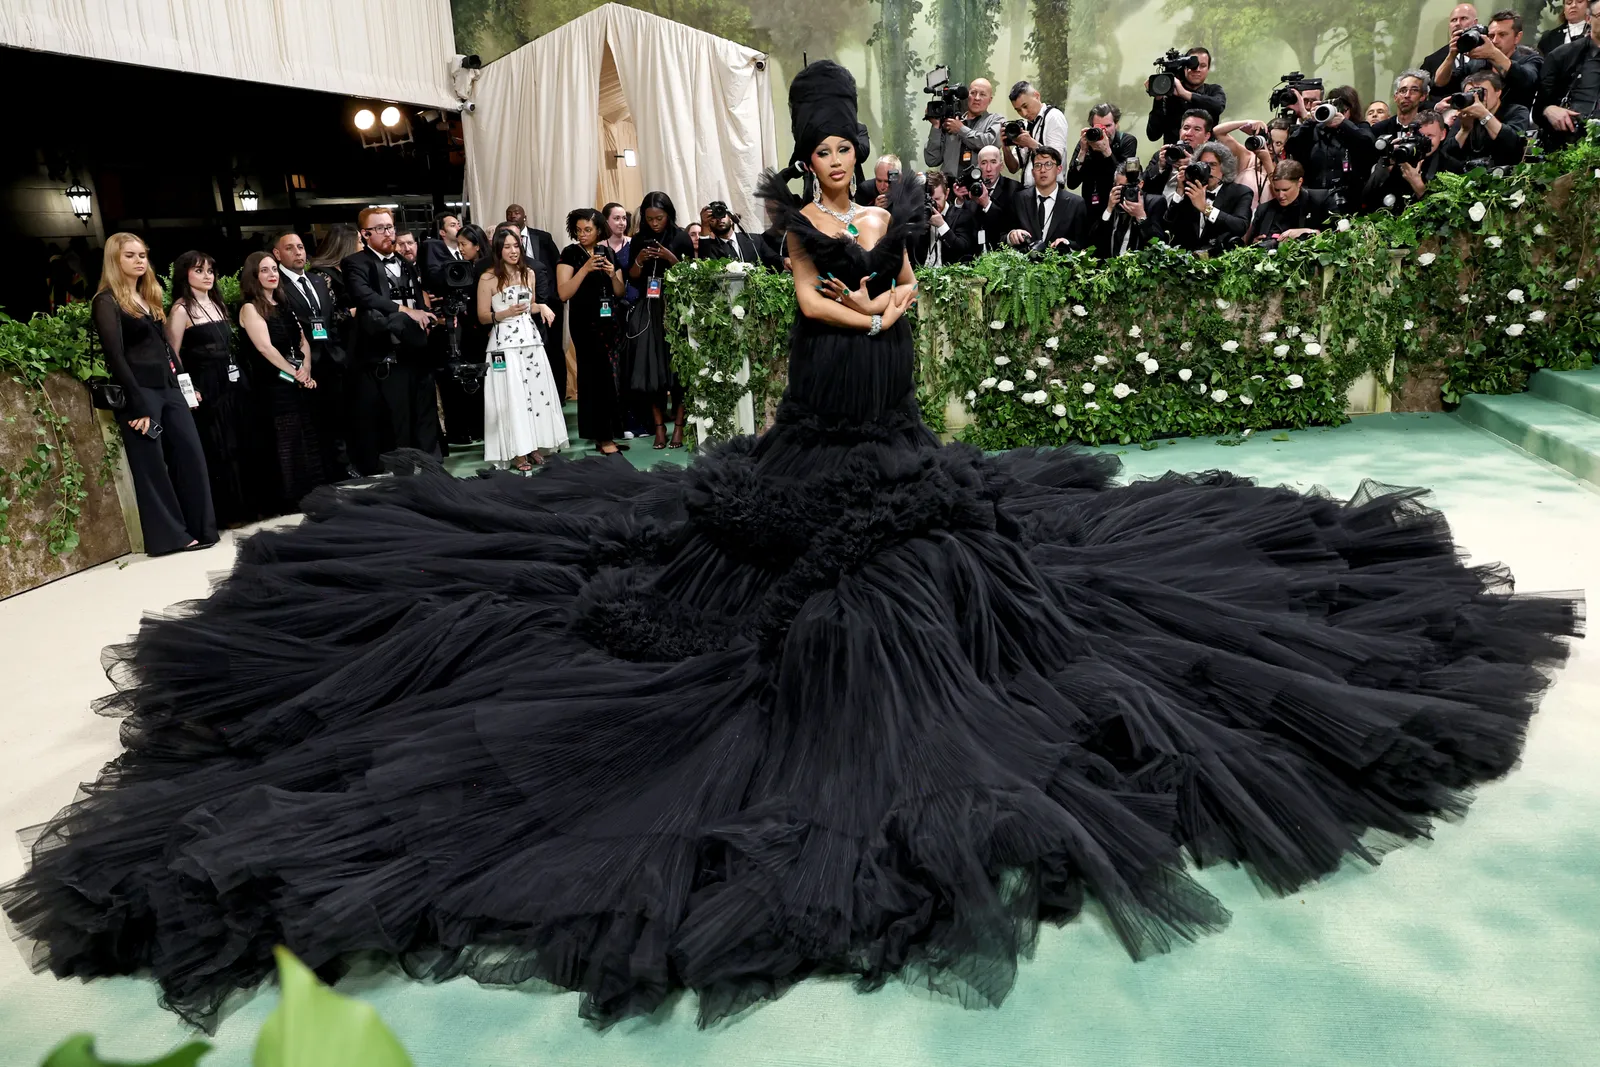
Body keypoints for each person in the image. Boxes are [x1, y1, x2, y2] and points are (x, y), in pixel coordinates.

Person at [6, 57, 1579, 1035]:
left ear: (864, 150)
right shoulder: (796, 225)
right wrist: (865, 300)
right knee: (740, 596)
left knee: (1004, 574)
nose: (835, 161)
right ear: (805, 157)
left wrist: (901, 299)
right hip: (823, 412)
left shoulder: (912, 204)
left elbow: (914, 288)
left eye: (845, 146)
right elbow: (814, 301)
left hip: (893, 419)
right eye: (819, 147)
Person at [89, 233, 216, 555]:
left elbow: (166, 351)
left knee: (191, 455)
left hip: (169, 388)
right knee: (152, 467)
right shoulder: (106, 301)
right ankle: (170, 538)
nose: (139, 261)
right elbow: (114, 356)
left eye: (142, 255)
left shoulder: (149, 296)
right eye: (130, 255)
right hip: (141, 392)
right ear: (115, 261)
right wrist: (137, 403)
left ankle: (202, 528)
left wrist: (186, 385)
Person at [166, 250, 266, 527]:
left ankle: (251, 506)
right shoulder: (180, 309)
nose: (207, 276)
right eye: (199, 271)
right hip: (206, 385)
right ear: (184, 274)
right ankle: (230, 513)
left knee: (242, 440)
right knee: (220, 446)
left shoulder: (219, 304)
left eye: (210, 270)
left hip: (234, 380)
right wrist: (188, 391)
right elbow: (173, 356)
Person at [342, 207, 440, 474]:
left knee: (425, 414)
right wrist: (407, 311)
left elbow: (417, 296)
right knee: (399, 421)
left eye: (390, 227)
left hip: (417, 349)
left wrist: (425, 316)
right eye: (381, 229)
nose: (389, 233)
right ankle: (403, 477)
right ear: (365, 234)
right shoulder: (355, 263)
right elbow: (365, 298)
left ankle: (433, 471)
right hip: (387, 353)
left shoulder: (405, 262)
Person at [239, 251, 330, 514]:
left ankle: (311, 492)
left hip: (297, 380)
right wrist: (294, 373)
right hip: (273, 386)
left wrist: (306, 369)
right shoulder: (250, 308)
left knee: (306, 436)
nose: (272, 275)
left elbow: (302, 340)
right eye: (265, 270)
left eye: (274, 270)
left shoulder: (284, 302)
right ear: (254, 276)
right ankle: (290, 499)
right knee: (285, 442)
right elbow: (265, 349)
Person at [478, 226, 566, 471]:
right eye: (507, 247)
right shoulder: (488, 278)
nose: (513, 251)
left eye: (516, 246)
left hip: (530, 339)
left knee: (536, 393)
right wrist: (505, 313)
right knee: (512, 396)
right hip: (504, 343)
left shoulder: (529, 273)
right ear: (498, 250)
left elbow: (531, 305)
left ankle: (535, 445)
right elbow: (483, 316)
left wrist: (544, 308)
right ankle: (517, 451)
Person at [273, 231, 353, 479]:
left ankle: (342, 468)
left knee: (339, 417)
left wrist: (338, 351)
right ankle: (325, 473)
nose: (298, 252)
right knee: (314, 422)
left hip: (332, 358)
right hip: (305, 364)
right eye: (290, 248)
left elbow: (330, 320)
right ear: (277, 254)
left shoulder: (317, 280)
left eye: (301, 247)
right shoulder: (278, 287)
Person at [625, 191, 694, 449]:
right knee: (652, 372)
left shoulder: (681, 237)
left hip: (675, 308)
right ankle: (658, 429)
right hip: (648, 308)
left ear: (669, 215)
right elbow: (632, 278)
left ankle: (678, 426)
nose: (655, 223)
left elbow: (691, 275)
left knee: (678, 374)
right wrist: (640, 261)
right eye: (650, 218)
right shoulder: (640, 239)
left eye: (660, 218)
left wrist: (670, 258)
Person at [557, 208, 627, 455]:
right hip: (585, 324)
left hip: (609, 323)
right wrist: (585, 269)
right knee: (594, 379)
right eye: (578, 230)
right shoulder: (569, 253)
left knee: (610, 379)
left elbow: (619, 292)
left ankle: (606, 434)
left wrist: (611, 273)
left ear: (599, 230)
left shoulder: (607, 252)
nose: (582, 234)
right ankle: (603, 437)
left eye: (588, 229)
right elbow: (563, 293)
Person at [504, 204, 565, 398]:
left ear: (525, 216)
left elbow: (558, 263)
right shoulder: (501, 253)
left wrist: (554, 295)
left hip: (550, 303)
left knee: (554, 348)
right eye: (509, 214)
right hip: (520, 307)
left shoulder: (543, 237)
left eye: (517, 213)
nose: (514, 216)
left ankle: (559, 394)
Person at [1284, 85, 1376, 208]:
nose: (1337, 112)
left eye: (1342, 108)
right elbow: (1291, 147)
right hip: (1317, 200)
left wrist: (1344, 124)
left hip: (1352, 201)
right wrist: (1311, 119)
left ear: (1351, 109)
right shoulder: (1316, 130)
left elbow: (1369, 146)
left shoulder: (1359, 128)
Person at [1435, 10, 1544, 108]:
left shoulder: (1531, 59)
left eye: (1502, 35)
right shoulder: (1477, 63)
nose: (1495, 40)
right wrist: (1451, 55)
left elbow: (1526, 80)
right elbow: (1440, 83)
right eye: (1491, 36)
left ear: (1517, 37)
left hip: (1512, 123)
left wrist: (1493, 54)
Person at [1160, 140, 1252, 254]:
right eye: (1202, 164)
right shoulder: (1190, 190)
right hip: (1186, 262)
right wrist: (1179, 191)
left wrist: (1205, 208)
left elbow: (1240, 226)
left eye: (1212, 165)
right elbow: (1167, 227)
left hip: (1220, 261)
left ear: (1224, 168)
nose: (1207, 170)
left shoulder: (1241, 192)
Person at [1360, 110, 1451, 213]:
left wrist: (1418, 185)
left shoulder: (1451, 166)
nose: (1424, 142)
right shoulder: (1400, 156)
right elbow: (1366, 199)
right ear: (1409, 134)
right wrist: (1386, 164)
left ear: (1442, 135)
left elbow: (1444, 215)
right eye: (1419, 136)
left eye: (1430, 136)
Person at [1536, 0, 1600, 148]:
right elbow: (1539, 108)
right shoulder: (1561, 55)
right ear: (1589, 19)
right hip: (1571, 142)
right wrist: (1549, 109)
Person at [1442, 69, 1533, 169]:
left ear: (1498, 92)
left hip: (1507, 175)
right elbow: (1446, 155)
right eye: (1470, 93)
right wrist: (1464, 130)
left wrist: (1484, 115)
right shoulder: (1466, 116)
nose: (1477, 97)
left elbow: (1514, 144)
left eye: (1481, 92)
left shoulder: (1516, 111)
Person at [1003, 146, 1088, 252]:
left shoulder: (1075, 203)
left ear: (1058, 169)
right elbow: (1002, 236)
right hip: (1025, 265)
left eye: (1048, 165)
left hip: (1060, 266)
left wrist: (1067, 243)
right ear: (1033, 172)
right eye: (1038, 166)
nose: (1042, 170)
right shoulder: (1018, 199)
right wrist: (1011, 236)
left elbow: (1083, 244)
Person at [1066, 103, 1140, 218]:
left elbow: (1125, 180)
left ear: (1116, 125)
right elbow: (1072, 183)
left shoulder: (1127, 141)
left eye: (1108, 125)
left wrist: (1106, 151)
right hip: (1090, 205)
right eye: (1099, 127)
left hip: (1116, 207)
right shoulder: (1086, 143)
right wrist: (1082, 152)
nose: (1104, 131)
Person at [1145, 46, 1227, 145]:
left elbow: (1218, 106)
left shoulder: (1213, 90)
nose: (1197, 69)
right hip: (1174, 156)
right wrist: (1158, 98)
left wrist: (1184, 93)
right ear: (1184, 68)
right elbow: (1153, 135)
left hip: (1205, 156)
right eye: (1193, 65)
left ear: (1208, 69)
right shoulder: (1169, 96)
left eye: (1202, 65)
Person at [923, 76, 1002, 177]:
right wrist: (935, 126)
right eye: (973, 93)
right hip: (949, 188)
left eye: (982, 94)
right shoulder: (951, 122)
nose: (977, 98)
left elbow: (991, 144)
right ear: (967, 96)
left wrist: (961, 130)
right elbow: (932, 160)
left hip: (979, 187)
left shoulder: (995, 120)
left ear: (990, 100)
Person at [1002, 80, 1071, 190]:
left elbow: (1056, 158)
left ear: (1037, 96)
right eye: (1018, 110)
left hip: (1050, 191)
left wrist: (1031, 144)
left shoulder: (1053, 116)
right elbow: (1013, 167)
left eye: (1025, 106)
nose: (1024, 113)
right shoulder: (1026, 125)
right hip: (1029, 192)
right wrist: (1005, 147)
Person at [1246, 160, 1334, 243]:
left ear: (1299, 182)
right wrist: (1255, 244)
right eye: (1276, 190)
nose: (1280, 195)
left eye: (1285, 190)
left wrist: (1309, 232)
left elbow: (1338, 234)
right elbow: (1249, 243)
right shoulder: (1264, 210)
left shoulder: (1320, 200)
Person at [1141, 109, 1214, 200]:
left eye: (1197, 129)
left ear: (1206, 136)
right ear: (1180, 132)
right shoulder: (1165, 154)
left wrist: (1193, 166)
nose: (1189, 133)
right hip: (1157, 209)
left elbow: (1211, 191)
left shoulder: (1208, 160)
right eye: (1186, 128)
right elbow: (1143, 186)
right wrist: (1160, 167)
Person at [1093, 160, 1160, 258]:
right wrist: (1109, 209)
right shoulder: (1111, 199)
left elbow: (1158, 245)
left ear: (1141, 184)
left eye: (1130, 187)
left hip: (1138, 269)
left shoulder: (1153, 203)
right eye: (1121, 187)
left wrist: (1141, 216)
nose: (1126, 192)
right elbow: (1094, 241)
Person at [1423, 4, 1486, 103]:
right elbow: (1422, 97)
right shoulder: (1432, 60)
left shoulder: (1487, 52)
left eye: (1463, 18)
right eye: (1453, 20)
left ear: (1475, 23)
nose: (1457, 23)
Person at [912, 171, 976, 265]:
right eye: (928, 200)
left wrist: (942, 226)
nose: (933, 204)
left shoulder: (961, 216)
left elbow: (963, 251)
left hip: (949, 275)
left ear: (947, 194)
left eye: (937, 199)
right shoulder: (916, 216)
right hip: (921, 273)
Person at [968, 144, 1021, 254]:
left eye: (993, 162)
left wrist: (987, 204)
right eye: (984, 163)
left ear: (1001, 166)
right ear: (978, 167)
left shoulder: (1014, 189)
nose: (988, 169)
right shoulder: (973, 188)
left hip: (1002, 254)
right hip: (975, 255)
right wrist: (959, 202)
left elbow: (1008, 226)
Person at [1371, 71, 1433, 141]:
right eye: (1403, 91)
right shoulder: (1379, 129)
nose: (1407, 95)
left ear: (1423, 96)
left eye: (1414, 90)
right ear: (1395, 97)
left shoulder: (1428, 128)